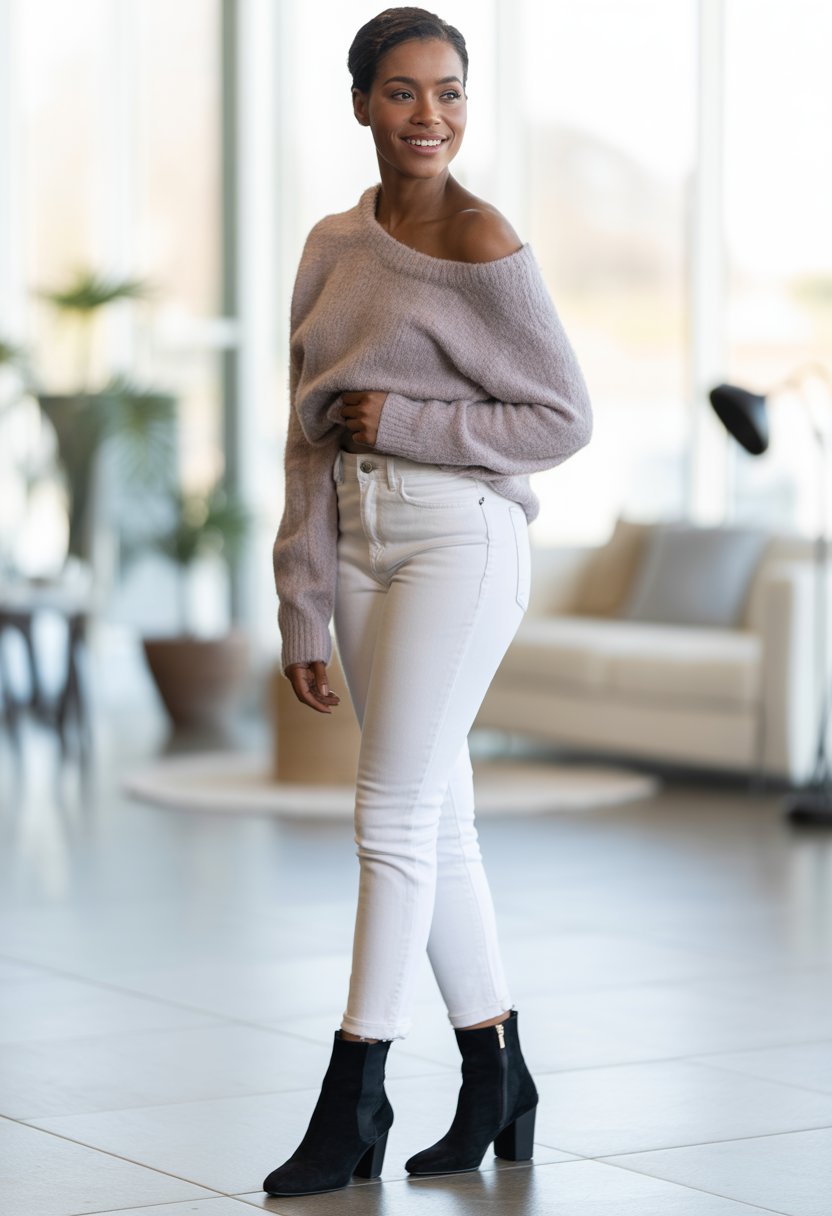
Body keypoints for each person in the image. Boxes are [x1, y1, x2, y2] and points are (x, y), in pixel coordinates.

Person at [263, 6, 592, 1198]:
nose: (429, 116)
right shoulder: (329, 247)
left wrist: (409, 423)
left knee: (389, 810)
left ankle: (353, 1091)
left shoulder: (481, 237)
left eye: (449, 92)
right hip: (354, 538)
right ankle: (496, 1071)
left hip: (463, 536)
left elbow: (561, 416)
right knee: (437, 818)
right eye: (402, 93)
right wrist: (300, 598)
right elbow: (303, 438)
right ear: (360, 103)